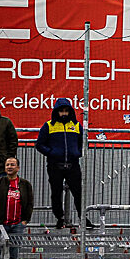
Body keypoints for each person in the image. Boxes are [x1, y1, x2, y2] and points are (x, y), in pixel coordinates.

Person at [34, 98, 86, 229]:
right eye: (61, 111)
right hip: (55, 166)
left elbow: (84, 143)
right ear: (56, 112)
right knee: (56, 193)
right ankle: (60, 218)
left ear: (70, 111)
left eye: (66, 111)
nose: (64, 113)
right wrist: (51, 153)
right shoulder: (49, 125)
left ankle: (83, 218)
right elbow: (39, 144)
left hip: (73, 165)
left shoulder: (77, 126)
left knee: (78, 193)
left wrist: (77, 153)